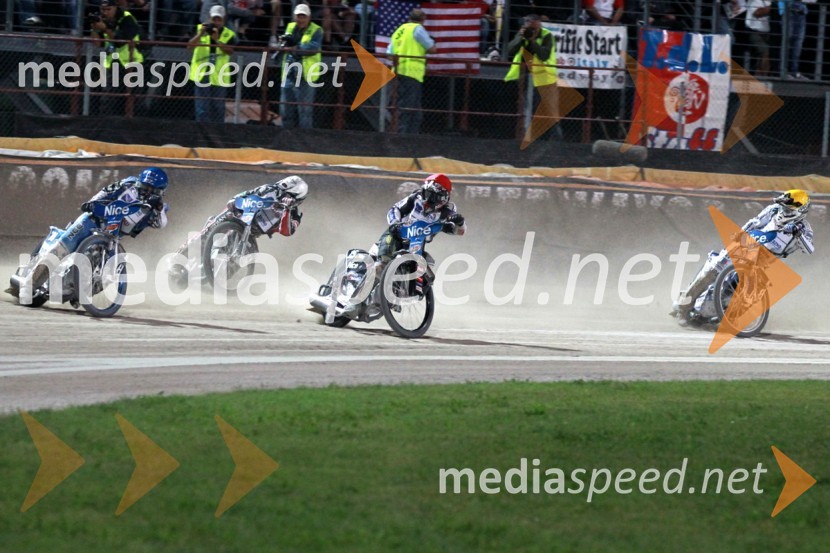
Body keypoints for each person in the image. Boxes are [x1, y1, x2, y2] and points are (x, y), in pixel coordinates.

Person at [672, 189, 814, 321]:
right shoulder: (773, 210)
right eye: (782, 206)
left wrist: (798, 233)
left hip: (763, 261)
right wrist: (739, 236)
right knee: (715, 265)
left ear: (799, 210)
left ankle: (721, 315)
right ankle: (685, 302)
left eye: (787, 209)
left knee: (743, 289)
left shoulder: (805, 228)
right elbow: (754, 223)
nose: (782, 210)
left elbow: (809, 249)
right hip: (746, 245)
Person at [373, 173, 466, 266]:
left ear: (443, 197)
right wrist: (395, 223)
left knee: (427, 266)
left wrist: (460, 222)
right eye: (425, 193)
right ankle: (380, 264)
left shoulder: (448, 211)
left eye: (431, 195)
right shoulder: (415, 197)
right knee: (384, 258)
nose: (426, 198)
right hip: (398, 232)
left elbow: (460, 231)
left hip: (416, 242)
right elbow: (395, 209)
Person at [90, 0, 145, 114]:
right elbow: (97, 44)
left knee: (133, 99)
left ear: (115, 8)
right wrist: (94, 28)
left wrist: (105, 28)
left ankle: (134, 126)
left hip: (132, 63)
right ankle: (106, 127)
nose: (105, 13)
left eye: (108, 9)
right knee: (108, 99)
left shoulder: (127, 18)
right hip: (112, 64)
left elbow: (120, 41)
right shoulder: (102, 20)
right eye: (103, 10)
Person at [387, 9, 437, 134]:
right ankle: (403, 138)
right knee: (408, 109)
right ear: (423, 20)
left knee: (411, 109)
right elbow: (432, 49)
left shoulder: (399, 30)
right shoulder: (418, 29)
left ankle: (410, 136)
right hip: (412, 73)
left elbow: (389, 54)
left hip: (398, 72)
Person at [82, 167, 170, 236]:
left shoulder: (158, 205)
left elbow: (162, 224)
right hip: (100, 216)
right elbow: (106, 190)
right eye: (145, 187)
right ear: (139, 182)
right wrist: (92, 201)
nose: (147, 193)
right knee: (81, 223)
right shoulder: (129, 182)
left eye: (152, 191)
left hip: (117, 234)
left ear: (160, 192)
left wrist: (159, 212)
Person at [188, 5, 238, 124]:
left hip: (219, 74)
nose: (216, 22)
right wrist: (200, 34)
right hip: (202, 72)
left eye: (219, 19)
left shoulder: (229, 33)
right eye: (214, 19)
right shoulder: (200, 29)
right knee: (202, 107)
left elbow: (230, 51)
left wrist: (217, 40)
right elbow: (189, 46)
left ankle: (218, 132)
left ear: (223, 20)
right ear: (209, 18)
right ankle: (202, 132)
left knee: (218, 106)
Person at [279, 3, 323, 129]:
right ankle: (286, 137)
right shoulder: (291, 27)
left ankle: (305, 141)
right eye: (298, 16)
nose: (300, 19)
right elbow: (286, 42)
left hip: (306, 75)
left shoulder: (317, 30)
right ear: (294, 17)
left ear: (309, 17)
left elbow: (313, 48)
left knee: (305, 112)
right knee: (285, 109)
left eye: (303, 16)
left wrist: (294, 48)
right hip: (289, 72)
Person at [779, 0, 808, 79]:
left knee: (798, 46)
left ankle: (794, 72)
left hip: (801, 15)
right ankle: (784, 71)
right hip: (788, 12)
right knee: (786, 44)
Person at [745, 0, 772, 76]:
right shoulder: (755, 1)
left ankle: (759, 75)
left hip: (766, 33)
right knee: (765, 52)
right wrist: (771, 8)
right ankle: (764, 77)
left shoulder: (769, 2)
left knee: (762, 56)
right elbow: (757, 13)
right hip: (753, 32)